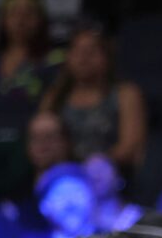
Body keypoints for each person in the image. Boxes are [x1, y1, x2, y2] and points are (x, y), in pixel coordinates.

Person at [38, 23, 146, 173]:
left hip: (110, 176)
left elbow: (130, 147)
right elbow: (39, 141)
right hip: (62, 178)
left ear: (107, 57)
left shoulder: (125, 94)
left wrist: (91, 168)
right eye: (77, 51)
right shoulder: (55, 97)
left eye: (92, 51)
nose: (84, 58)